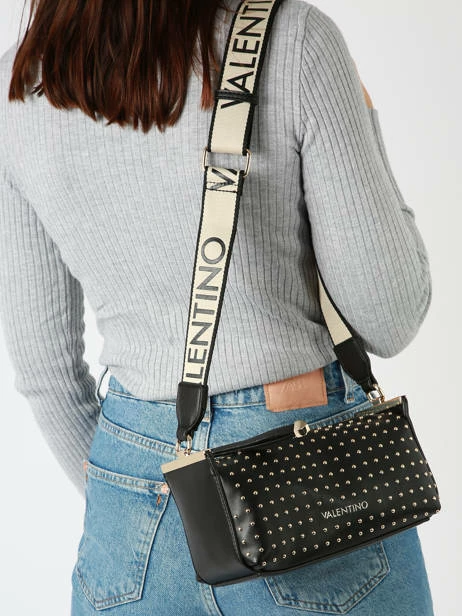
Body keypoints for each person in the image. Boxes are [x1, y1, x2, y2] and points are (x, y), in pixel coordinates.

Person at [0, 0, 435, 614]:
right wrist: (363, 119)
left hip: (129, 521)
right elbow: (392, 316)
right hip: (303, 486)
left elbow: (48, 374)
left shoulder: (20, 86)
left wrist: (151, 500)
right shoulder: (294, 42)